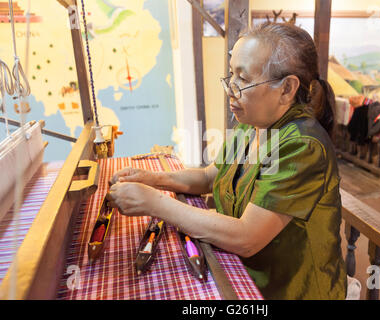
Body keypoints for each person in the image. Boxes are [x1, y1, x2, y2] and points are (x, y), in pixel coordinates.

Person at [107, 22, 347, 300]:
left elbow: (247, 238)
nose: (231, 89)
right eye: (232, 75)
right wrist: (151, 178)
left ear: (287, 89)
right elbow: (211, 177)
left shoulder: (301, 145)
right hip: (241, 271)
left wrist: (155, 203)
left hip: (289, 290)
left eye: (244, 80)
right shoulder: (252, 124)